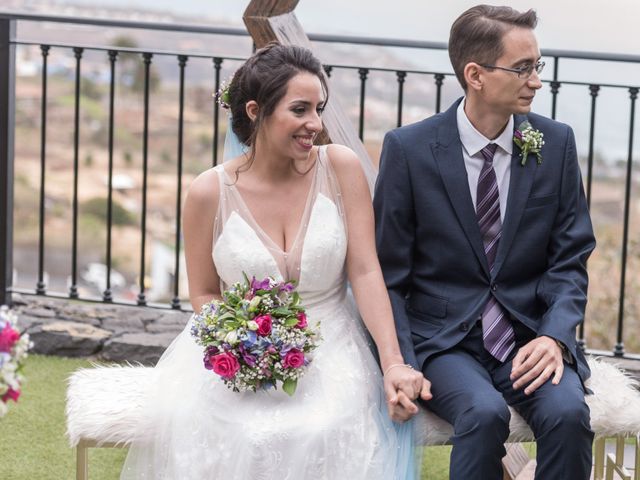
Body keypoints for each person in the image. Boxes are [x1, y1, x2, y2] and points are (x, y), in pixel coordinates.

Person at [121, 43, 429, 479]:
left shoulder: (340, 168)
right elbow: (205, 292)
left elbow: (365, 270)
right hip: (242, 348)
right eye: (300, 110)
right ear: (255, 110)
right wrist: (241, 344)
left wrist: (393, 361)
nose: (315, 125)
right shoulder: (209, 193)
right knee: (240, 433)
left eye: (319, 109)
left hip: (333, 343)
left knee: (323, 427)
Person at [374, 5, 596, 480]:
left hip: (528, 335)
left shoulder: (555, 144)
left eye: (538, 65)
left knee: (568, 416)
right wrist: (400, 362)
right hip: (446, 340)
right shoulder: (409, 151)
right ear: (475, 74)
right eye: (522, 68)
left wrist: (555, 336)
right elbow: (388, 275)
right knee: (483, 414)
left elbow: (570, 260)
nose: (536, 80)